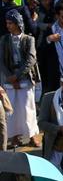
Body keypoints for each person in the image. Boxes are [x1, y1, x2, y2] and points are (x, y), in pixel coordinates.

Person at [0, 10, 39, 147]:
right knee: (12, 109)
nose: (8, 26)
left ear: (18, 24)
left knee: (28, 109)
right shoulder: (4, 40)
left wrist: (17, 76)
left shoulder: (29, 39)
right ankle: (14, 137)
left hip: (25, 77)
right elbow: (1, 61)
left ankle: (32, 136)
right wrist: (10, 78)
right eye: (7, 23)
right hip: (9, 79)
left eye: (10, 23)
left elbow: (31, 59)